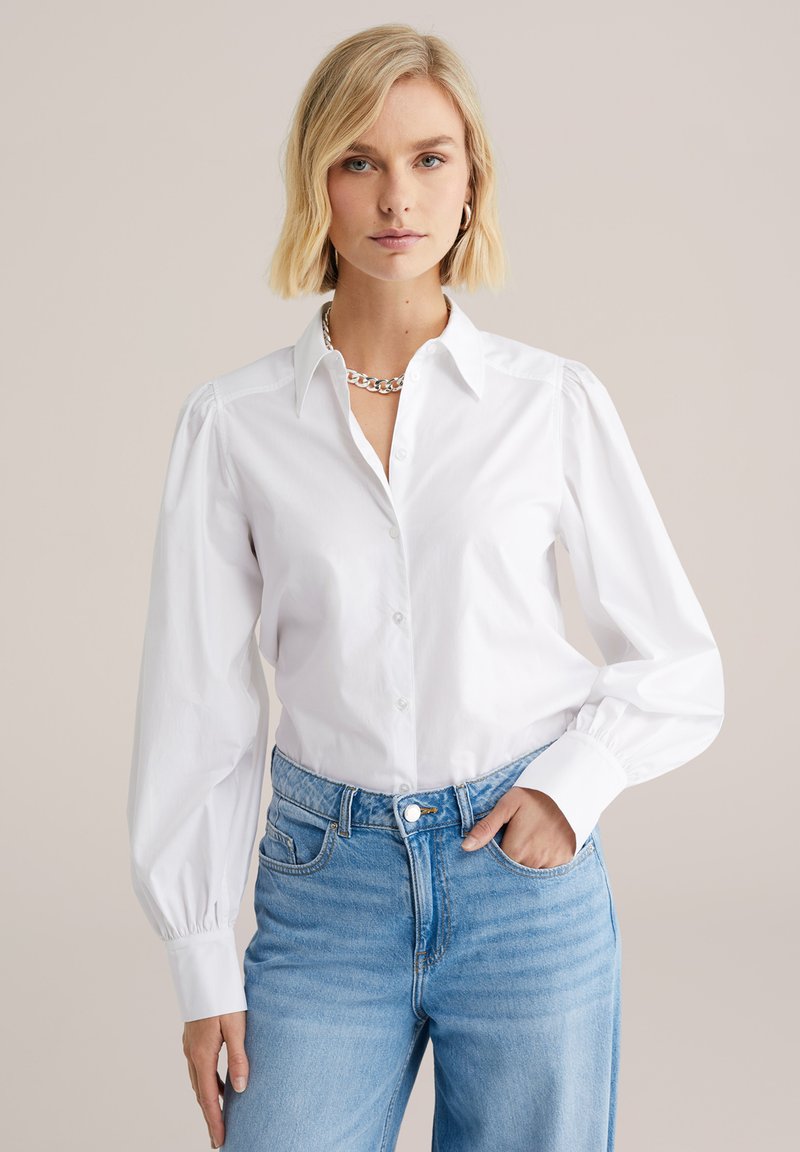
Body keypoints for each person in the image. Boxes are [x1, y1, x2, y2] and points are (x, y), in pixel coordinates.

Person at [126, 22, 725, 1152]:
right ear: (316, 185)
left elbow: (679, 664)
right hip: (325, 887)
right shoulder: (233, 425)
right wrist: (201, 961)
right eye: (358, 161)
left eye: (428, 158)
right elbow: (198, 705)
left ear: (470, 180)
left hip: (520, 884)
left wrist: (572, 787)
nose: (396, 196)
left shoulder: (550, 404)